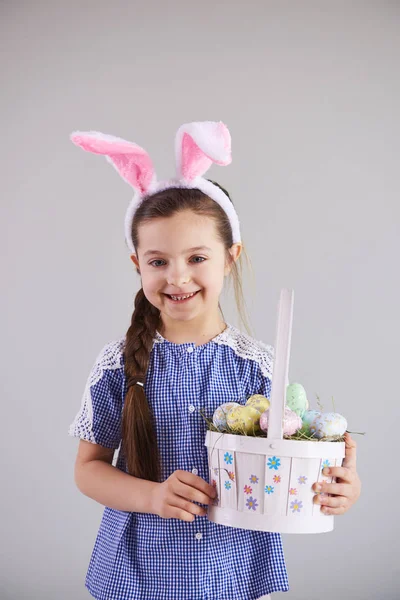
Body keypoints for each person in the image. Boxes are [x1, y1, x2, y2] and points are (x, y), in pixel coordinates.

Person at [68, 121, 361, 600]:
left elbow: (291, 465)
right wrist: (152, 496)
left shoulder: (262, 367)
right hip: (138, 573)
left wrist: (336, 485)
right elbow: (88, 468)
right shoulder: (117, 365)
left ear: (229, 257)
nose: (177, 276)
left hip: (235, 572)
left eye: (197, 257)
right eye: (158, 261)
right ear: (137, 264)